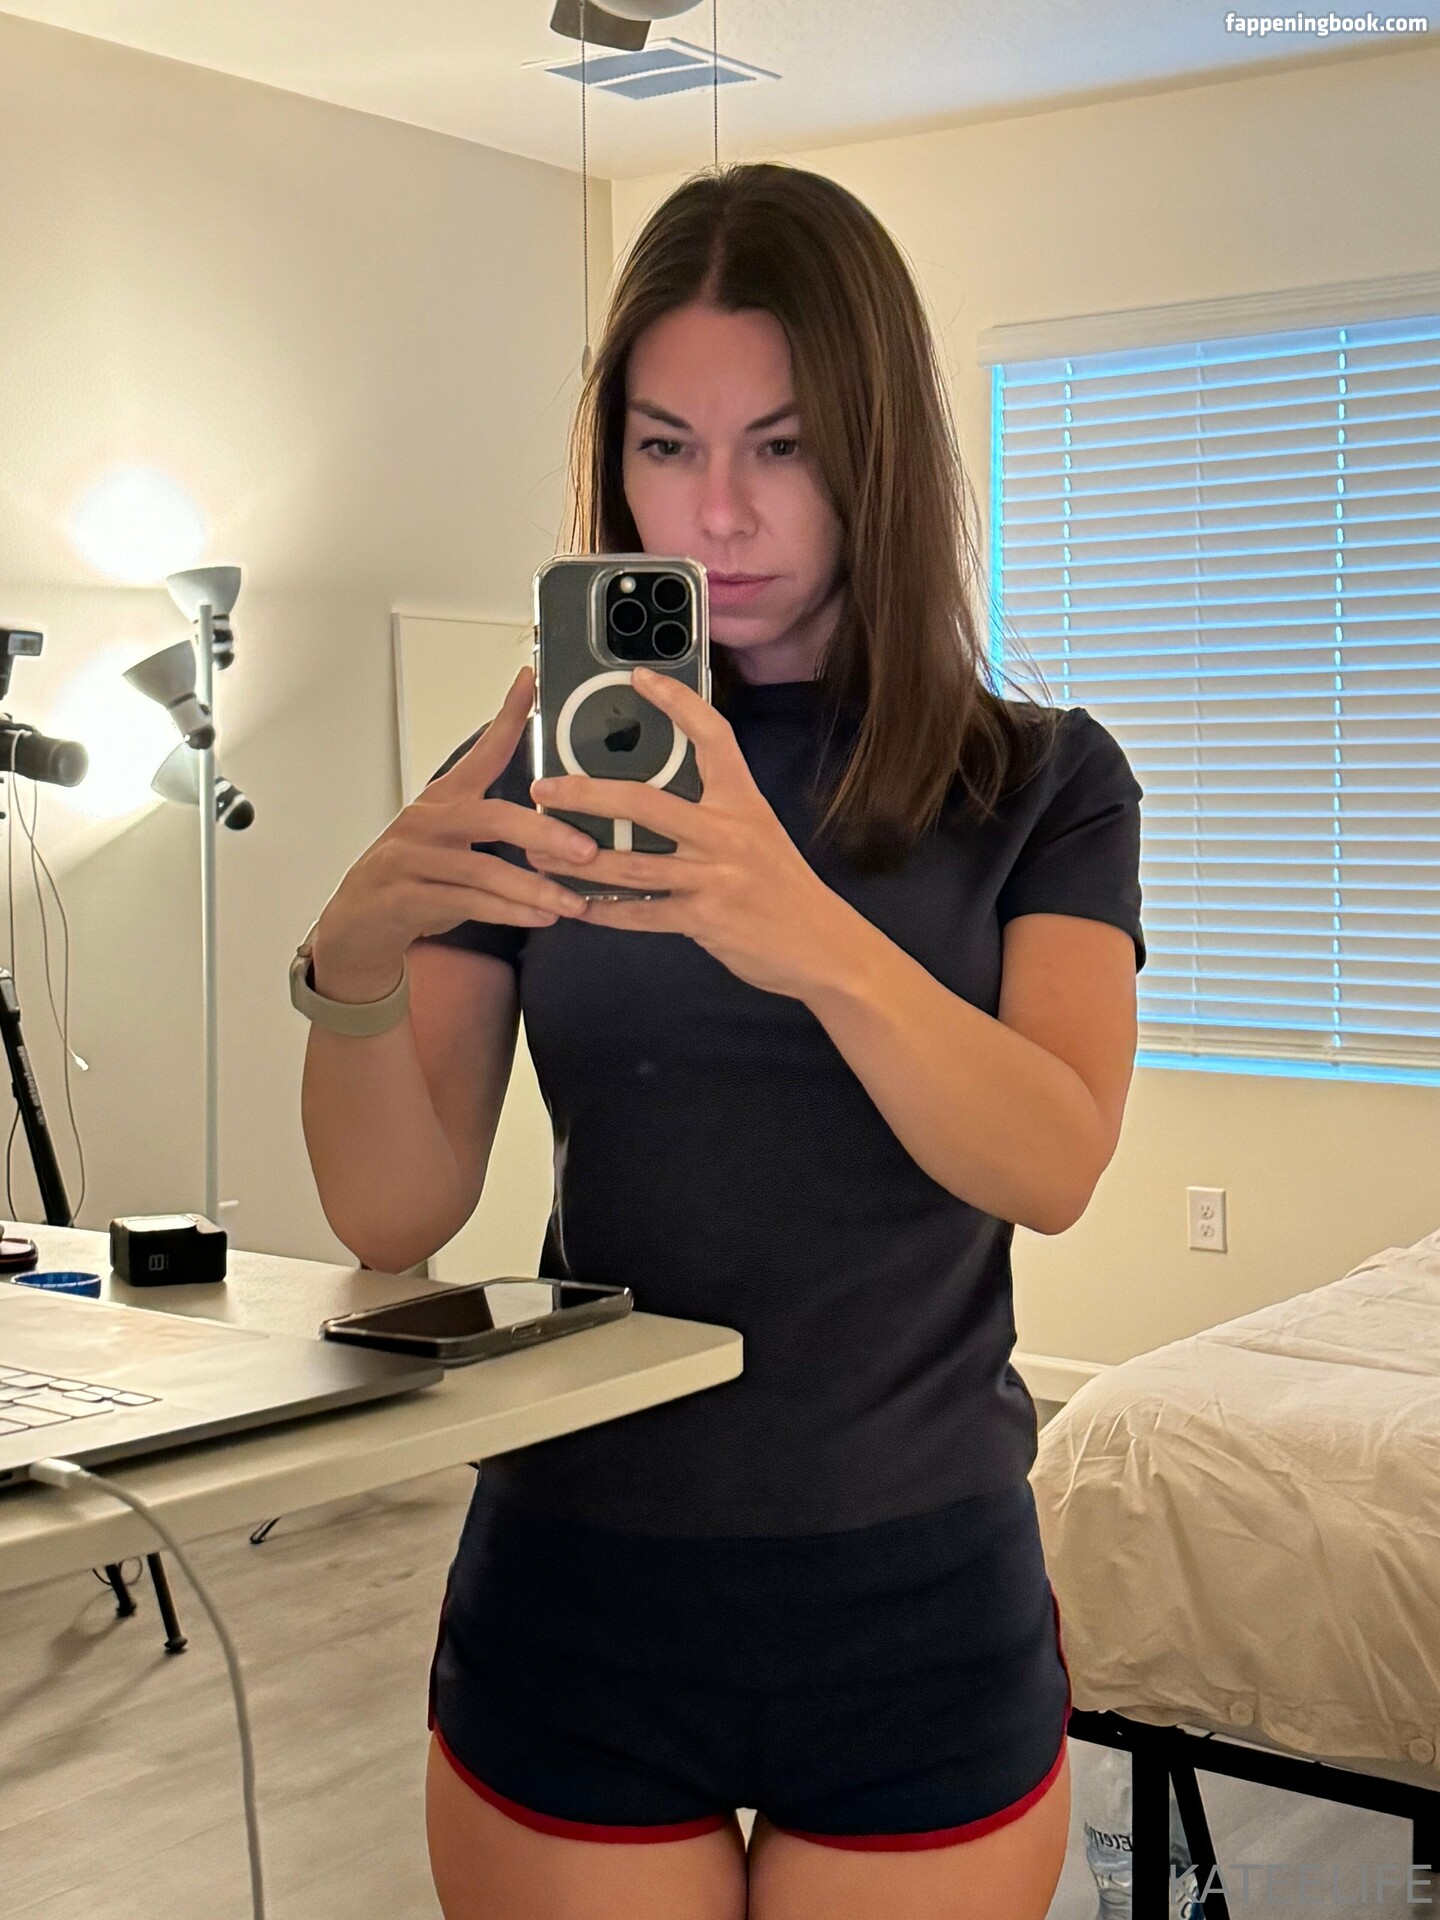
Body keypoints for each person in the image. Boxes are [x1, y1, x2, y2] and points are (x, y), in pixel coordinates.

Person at [299, 161, 1145, 1920]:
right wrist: (352, 964)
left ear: (878, 455)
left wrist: (807, 932)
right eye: (666, 445)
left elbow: (1052, 1160)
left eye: (783, 446)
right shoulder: (546, 767)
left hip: (918, 1601)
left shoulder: (1038, 779)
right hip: (577, 1590)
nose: (717, 515)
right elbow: (394, 1213)